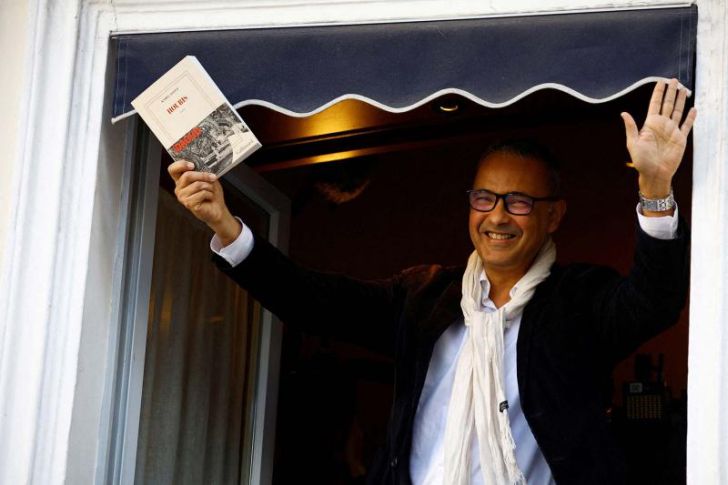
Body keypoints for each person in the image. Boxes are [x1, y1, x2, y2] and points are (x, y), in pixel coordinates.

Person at [168, 79, 696, 484]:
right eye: (484, 198)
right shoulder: (424, 297)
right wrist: (227, 227)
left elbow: (653, 301)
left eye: (519, 201)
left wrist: (655, 188)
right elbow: (315, 301)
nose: (497, 216)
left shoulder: (578, 301)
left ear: (554, 215)